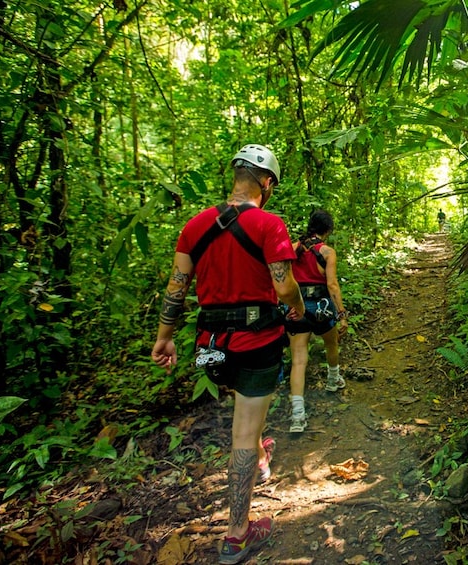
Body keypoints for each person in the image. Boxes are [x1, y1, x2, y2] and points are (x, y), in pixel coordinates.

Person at [150, 144, 305, 565]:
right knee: (243, 429)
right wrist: (299, 308)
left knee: (243, 410)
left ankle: (259, 453)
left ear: (235, 175)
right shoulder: (269, 224)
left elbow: (176, 289)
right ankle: (237, 535)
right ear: (267, 182)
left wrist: (165, 338)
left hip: (210, 351)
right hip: (257, 342)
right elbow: (285, 287)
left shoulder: (195, 225)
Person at [284, 209, 349, 433]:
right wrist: (341, 314)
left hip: (297, 306)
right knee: (331, 343)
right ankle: (333, 379)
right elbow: (332, 285)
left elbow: (282, 279)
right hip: (321, 306)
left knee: (298, 360)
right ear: (328, 230)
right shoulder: (327, 252)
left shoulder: (292, 248)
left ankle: (297, 416)